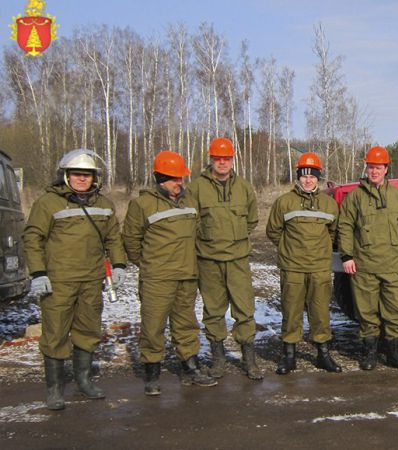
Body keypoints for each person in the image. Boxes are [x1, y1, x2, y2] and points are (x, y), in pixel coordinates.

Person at [23, 149, 127, 411]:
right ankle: (55, 390)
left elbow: (113, 238)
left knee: (88, 331)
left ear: (95, 178)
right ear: (66, 176)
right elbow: (33, 238)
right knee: (55, 332)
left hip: (92, 280)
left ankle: (83, 380)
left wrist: (118, 265)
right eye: (77, 174)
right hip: (58, 281)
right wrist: (38, 273)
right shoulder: (48, 203)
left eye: (87, 175)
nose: (82, 179)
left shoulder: (103, 205)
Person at [123, 151, 216, 395]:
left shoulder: (190, 201)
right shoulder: (142, 204)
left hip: (187, 275)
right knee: (153, 326)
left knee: (186, 325)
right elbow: (131, 241)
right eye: (175, 179)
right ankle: (152, 373)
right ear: (161, 178)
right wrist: (149, 264)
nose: (180, 183)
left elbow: (196, 230)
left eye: (181, 179)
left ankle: (190, 367)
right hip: (157, 278)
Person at [187, 137, 263, 380]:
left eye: (226, 159)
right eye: (218, 159)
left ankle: (249, 361)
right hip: (208, 260)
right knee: (213, 311)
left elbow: (251, 219)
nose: (222, 163)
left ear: (232, 160)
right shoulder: (196, 187)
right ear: (211, 160)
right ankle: (218, 360)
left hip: (238, 259)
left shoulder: (243, 186)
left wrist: (237, 237)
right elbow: (191, 221)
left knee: (244, 309)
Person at [337, 146, 398, 371]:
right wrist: (347, 255)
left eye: (378, 167)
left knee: (395, 311)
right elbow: (345, 227)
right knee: (367, 312)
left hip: (392, 265)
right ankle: (369, 354)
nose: (374, 172)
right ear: (367, 167)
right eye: (371, 167)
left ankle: (394, 355)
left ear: (386, 169)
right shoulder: (356, 197)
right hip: (364, 266)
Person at [266, 152, 342, 375]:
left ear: (318, 177)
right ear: (298, 176)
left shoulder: (328, 204)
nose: (308, 180)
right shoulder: (284, 202)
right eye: (304, 175)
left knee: (320, 312)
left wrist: (321, 251)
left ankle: (323, 355)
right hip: (293, 268)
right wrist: (290, 250)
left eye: (312, 175)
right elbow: (273, 231)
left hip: (319, 267)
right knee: (291, 311)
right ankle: (289, 356)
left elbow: (333, 232)